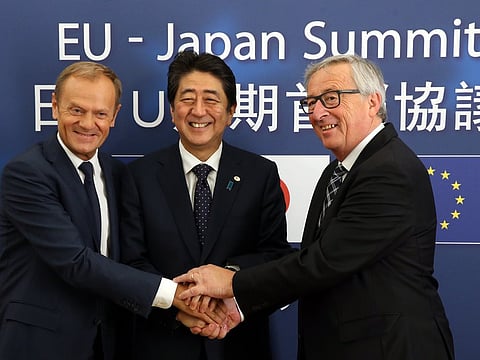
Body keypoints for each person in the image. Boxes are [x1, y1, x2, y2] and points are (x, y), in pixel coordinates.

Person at [175, 54, 456, 360]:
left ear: (373, 102)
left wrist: (232, 283)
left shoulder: (389, 170)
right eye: (311, 102)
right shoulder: (338, 171)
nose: (318, 112)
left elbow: (322, 263)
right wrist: (240, 307)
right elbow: (315, 265)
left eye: (331, 98)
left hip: (392, 348)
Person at [0, 61, 229, 360]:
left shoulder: (119, 173)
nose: (87, 123)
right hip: (42, 343)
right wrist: (175, 296)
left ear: (115, 115)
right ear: (55, 106)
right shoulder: (27, 174)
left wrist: (175, 312)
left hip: (109, 342)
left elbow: (126, 261)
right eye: (76, 110)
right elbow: (76, 262)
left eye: (100, 114)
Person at [119, 50, 293, 360]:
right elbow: (132, 262)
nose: (199, 111)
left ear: (231, 111)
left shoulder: (260, 174)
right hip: (161, 343)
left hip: (239, 343)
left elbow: (275, 256)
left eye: (211, 99)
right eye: (187, 99)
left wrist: (227, 282)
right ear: (172, 110)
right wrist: (177, 306)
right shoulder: (138, 176)